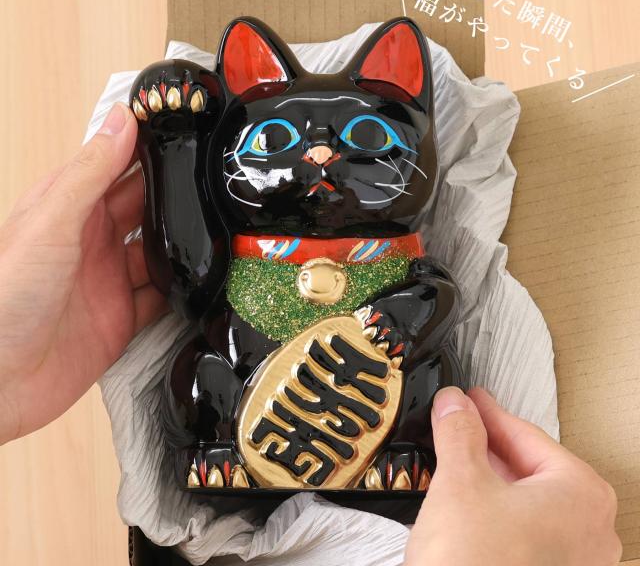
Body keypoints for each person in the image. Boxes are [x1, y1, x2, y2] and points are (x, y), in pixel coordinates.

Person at [0, 104, 622, 565]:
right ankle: (225, 454)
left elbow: (437, 294)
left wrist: (406, 312)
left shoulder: (398, 260)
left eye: (365, 137)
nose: (320, 156)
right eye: (275, 138)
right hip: (248, 422)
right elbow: (186, 271)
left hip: (374, 427)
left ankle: (393, 460)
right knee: (202, 370)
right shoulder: (243, 261)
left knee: (427, 377)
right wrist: (177, 144)